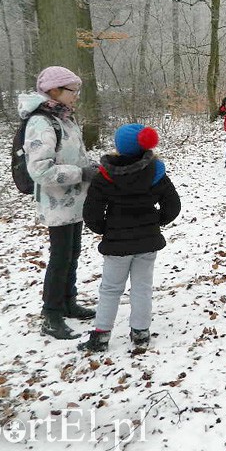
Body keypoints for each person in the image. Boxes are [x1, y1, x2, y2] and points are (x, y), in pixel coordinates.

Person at [78, 124, 181, 352]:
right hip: (147, 241)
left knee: (110, 289)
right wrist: (156, 221)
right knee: (142, 287)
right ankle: (141, 333)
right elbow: (173, 205)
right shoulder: (156, 172)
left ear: (119, 146)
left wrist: (105, 229)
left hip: (116, 244)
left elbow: (92, 212)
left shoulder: (105, 175)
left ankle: (101, 335)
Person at [21, 66, 98, 340]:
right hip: (56, 203)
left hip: (74, 200)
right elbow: (40, 170)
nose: (76, 95)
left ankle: (68, 302)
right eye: (72, 90)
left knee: (72, 253)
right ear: (54, 91)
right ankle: (51, 314)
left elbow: (74, 156)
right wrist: (82, 174)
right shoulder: (41, 123)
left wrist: (93, 167)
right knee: (60, 257)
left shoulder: (64, 118)